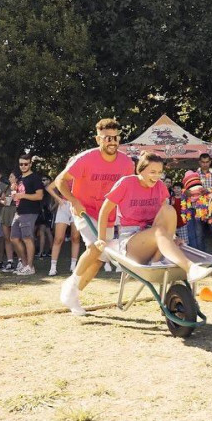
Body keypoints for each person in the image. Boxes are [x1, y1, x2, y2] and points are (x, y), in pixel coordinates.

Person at [93, 151, 212, 283]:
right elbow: (104, 211)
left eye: (159, 172)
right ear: (141, 170)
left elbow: (166, 215)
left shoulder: (160, 186)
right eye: (152, 172)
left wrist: (173, 237)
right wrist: (101, 238)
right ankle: (190, 267)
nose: (157, 176)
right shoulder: (126, 183)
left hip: (155, 235)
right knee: (158, 231)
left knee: (169, 209)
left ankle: (157, 261)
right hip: (132, 240)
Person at [57, 118, 135, 315]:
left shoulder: (126, 163)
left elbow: (128, 190)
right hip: (85, 210)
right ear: (98, 139)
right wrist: (73, 200)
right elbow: (60, 181)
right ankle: (70, 284)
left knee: (100, 259)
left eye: (116, 137)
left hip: (106, 214)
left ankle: (73, 294)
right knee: (94, 246)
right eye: (107, 138)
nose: (112, 142)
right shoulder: (85, 159)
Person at [0, 172, 18, 271]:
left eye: (11, 176)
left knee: (16, 237)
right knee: (7, 238)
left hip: (15, 211)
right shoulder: (6, 187)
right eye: (9, 176)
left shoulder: (20, 186)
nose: (9, 178)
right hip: (6, 211)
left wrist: (14, 192)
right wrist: (2, 201)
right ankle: (10, 261)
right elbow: (2, 199)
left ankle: (21, 260)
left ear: (17, 178)